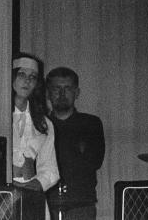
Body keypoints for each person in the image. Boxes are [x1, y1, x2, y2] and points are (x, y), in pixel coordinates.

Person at [45, 67, 105, 220]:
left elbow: (94, 161)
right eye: (57, 88)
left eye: (68, 88)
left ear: (77, 93)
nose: (62, 94)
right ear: (48, 93)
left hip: (81, 205)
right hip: (45, 204)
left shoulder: (91, 123)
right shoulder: (40, 125)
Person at [12, 53, 59, 219]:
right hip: (4, 194)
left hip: (32, 194)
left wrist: (37, 184)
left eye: (32, 77)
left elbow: (50, 167)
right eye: (21, 75)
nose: (27, 81)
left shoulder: (44, 123)